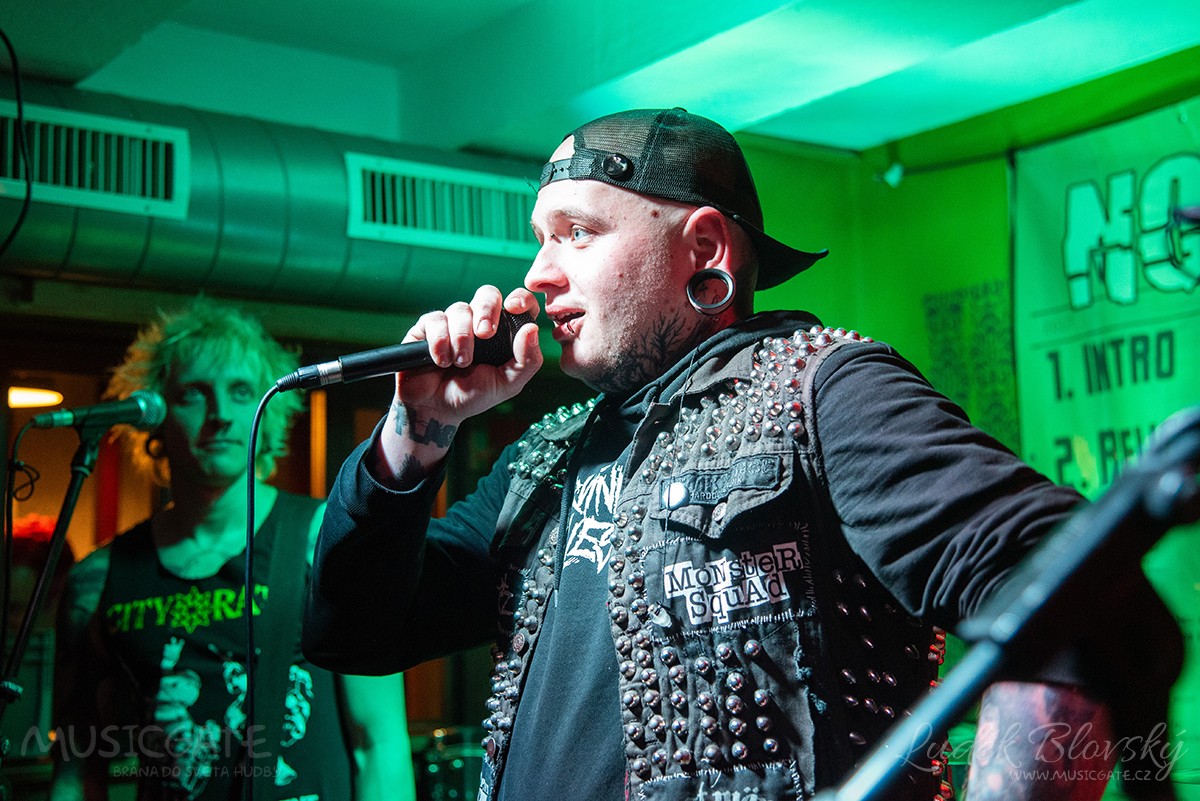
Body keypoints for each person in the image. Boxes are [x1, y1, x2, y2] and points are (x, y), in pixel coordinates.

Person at [301, 108, 1181, 801]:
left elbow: (1076, 590)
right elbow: (355, 630)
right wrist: (415, 432)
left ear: (705, 251)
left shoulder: (819, 389)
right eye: (540, 236)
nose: (537, 272)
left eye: (577, 232)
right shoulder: (546, 457)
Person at [51, 298, 417, 801]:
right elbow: (76, 768)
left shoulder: (326, 539)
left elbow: (379, 744)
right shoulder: (98, 580)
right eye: (193, 394)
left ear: (268, 412)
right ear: (156, 416)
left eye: (241, 392)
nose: (220, 415)